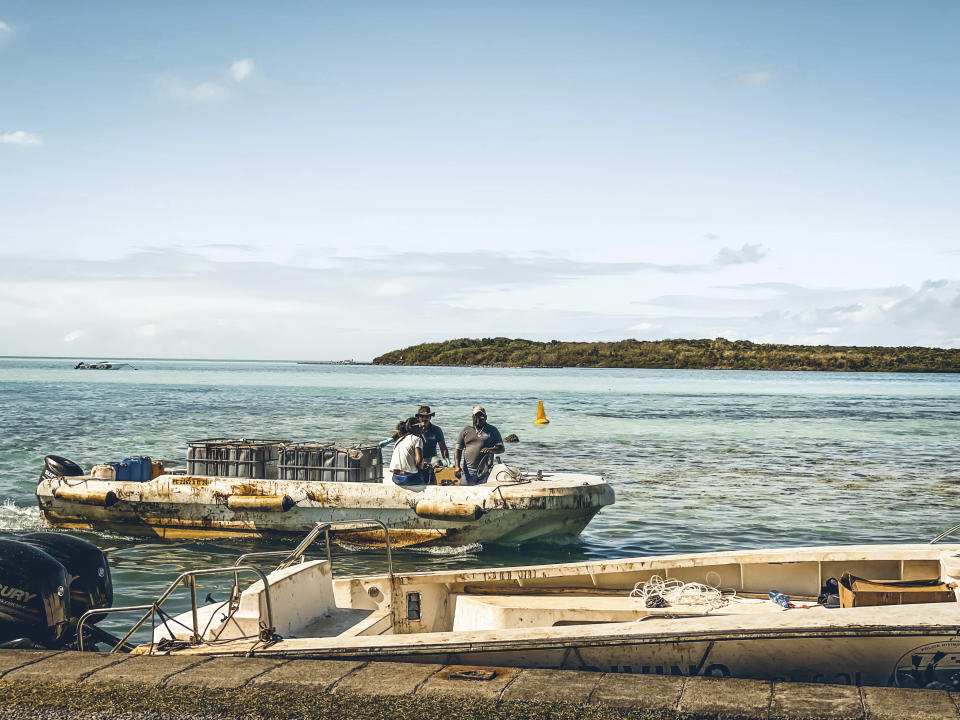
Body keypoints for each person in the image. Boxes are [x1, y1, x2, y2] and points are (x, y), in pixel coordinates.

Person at [454, 406, 505, 485]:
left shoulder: (493, 430)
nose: (479, 419)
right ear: (472, 417)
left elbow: (501, 449)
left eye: (481, 416)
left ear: (486, 417)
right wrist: (457, 467)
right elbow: (458, 450)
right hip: (468, 471)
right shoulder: (466, 430)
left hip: (486, 471)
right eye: (476, 416)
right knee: (464, 490)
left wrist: (491, 450)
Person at [387, 417, 431, 485]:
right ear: (414, 428)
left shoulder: (399, 440)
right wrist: (424, 466)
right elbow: (419, 461)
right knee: (429, 471)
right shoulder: (417, 439)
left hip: (396, 478)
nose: (423, 427)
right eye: (420, 425)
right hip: (407, 478)